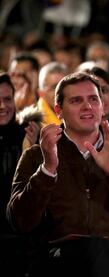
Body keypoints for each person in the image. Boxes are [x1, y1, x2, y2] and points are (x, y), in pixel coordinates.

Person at [7, 72, 109, 277]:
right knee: (92, 249)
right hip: (56, 260)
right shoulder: (37, 155)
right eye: (76, 100)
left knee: (100, 250)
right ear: (58, 110)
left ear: (102, 106)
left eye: (93, 99)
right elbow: (20, 221)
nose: (87, 106)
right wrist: (48, 169)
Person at [0, 72, 40, 277]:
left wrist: (31, 153)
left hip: (21, 241)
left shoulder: (28, 136)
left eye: (7, 99)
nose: (2, 106)